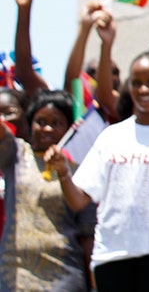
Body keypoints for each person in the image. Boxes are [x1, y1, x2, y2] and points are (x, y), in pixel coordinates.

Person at [53, 51, 149, 291]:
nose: (144, 90)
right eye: (137, 83)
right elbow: (78, 201)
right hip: (112, 259)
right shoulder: (110, 137)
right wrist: (63, 172)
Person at [0, 89, 96, 291]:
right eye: (40, 121)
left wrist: (94, 284)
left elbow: (88, 236)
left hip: (62, 278)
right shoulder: (16, 154)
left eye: (56, 123)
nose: (47, 129)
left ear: (69, 127)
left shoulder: (80, 171)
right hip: (14, 276)